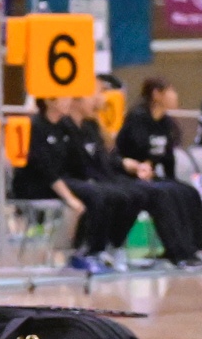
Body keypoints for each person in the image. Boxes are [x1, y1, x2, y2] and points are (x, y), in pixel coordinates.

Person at [112, 79, 202, 269]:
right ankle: (177, 252)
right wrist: (142, 166)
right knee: (164, 194)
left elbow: (167, 157)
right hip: (127, 175)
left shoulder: (166, 123)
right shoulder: (138, 117)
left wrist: (172, 180)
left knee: (187, 191)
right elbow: (134, 149)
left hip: (150, 176)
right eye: (171, 91)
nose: (175, 96)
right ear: (157, 94)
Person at [18, 95, 134, 273]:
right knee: (93, 196)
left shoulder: (62, 127)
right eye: (64, 98)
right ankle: (82, 252)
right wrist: (70, 198)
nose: (68, 101)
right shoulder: (36, 126)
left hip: (61, 180)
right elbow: (45, 170)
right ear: (49, 101)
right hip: (36, 184)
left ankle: (99, 249)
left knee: (106, 193)